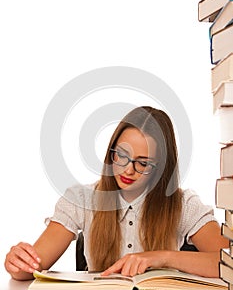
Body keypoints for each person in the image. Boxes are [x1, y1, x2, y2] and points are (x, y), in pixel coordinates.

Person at [4, 106, 228, 280]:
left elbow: (228, 262)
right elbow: (30, 267)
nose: (128, 169)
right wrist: (18, 264)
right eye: (120, 155)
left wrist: (161, 257)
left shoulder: (183, 204)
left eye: (143, 163)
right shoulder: (81, 200)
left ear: (161, 169)